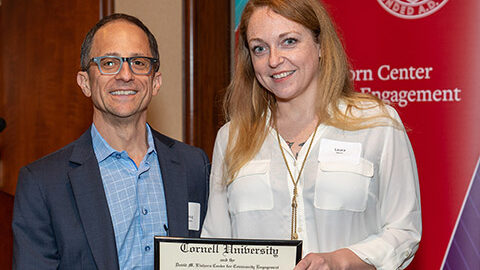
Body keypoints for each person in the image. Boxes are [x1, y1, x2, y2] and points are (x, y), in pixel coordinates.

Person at [201, 0, 421, 269]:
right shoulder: (231, 137)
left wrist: (340, 261)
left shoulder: (376, 124)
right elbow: (216, 242)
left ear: (320, 46)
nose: (273, 60)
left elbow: (403, 230)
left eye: (289, 41)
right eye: (260, 48)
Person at [12, 13, 210, 269]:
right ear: (85, 83)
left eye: (138, 62)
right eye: (108, 63)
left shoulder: (193, 166)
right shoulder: (43, 184)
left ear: (155, 82)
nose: (125, 75)